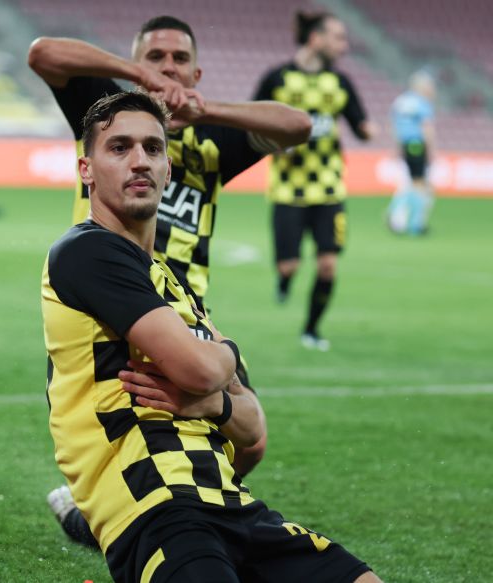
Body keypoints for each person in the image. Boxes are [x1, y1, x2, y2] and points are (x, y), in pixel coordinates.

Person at [42, 90, 381, 583]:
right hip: (156, 507)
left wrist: (212, 404)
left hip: (234, 506)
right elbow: (201, 369)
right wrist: (226, 353)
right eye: (119, 148)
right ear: (86, 170)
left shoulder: (173, 285)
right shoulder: (85, 251)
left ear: (168, 170)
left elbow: (252, 426)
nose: (140, 161)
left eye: (153, 148)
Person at [30, 14, 311, 533]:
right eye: (154, 56)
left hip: (189, 310)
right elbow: (42, 53)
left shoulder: (213, 140)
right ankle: (131, 520)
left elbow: (299, 125)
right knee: (128, 430)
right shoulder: (108, 116)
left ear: (196, 74)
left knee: (250, 439)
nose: (168, 66)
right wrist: (134, 76)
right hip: (112, 301)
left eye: (180, 59)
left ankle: (176, 515)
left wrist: (207, 110)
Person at [254, 11, 378, 351]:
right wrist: (277, 145)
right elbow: (252, 122)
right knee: (289, 265)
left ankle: (311, 329)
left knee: (327, 265)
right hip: (287, 191)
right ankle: (284, 279)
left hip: (329, 189)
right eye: (338, 38)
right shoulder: (277, 79)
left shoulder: (340, 83)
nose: (344, 46)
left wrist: (369, 130)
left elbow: (360, 125)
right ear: (315, 39)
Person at [387, 70, 436, 235]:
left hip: (405, 145)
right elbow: (426, 127)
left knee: (412, 182)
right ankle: (415, 224)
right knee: (420, 184)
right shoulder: (422, 103)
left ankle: (397, 214)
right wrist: (431, 150)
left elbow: (394, 126)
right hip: (417, 145)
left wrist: (397, 147)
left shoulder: (400, 102)